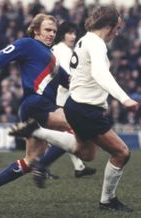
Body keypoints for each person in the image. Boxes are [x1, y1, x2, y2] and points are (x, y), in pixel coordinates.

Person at [9, 6, 139, 212]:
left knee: (86, 153)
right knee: (122, 153)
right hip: (87, 109)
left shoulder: (84, 39)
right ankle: (107, 201)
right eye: (117, 27)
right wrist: (125, 99)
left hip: (75, 106)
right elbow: (99, 73)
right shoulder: (96, 44)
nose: (117, 32)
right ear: (108, 25)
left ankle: (37, 131)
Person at [0, 13, 73, 203]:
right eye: (47, 30)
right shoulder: (27, 44)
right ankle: (43, 165)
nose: (52, 34)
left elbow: (67, 81)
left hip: (37, 108)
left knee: (29, 161)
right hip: (37, 104)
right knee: (77, 127)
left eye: (54, 31)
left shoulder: (51, 56)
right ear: (36, 30)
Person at [46, 21, 96, 178]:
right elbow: (67, 78)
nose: (73, 36)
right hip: (61, 98)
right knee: (70, 135)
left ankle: (78, 167)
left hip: (59, 97)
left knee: (66, 135)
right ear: (62, 34)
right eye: (69, 33)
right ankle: (41, 165)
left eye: (75, 33)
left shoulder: (63, 50)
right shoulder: (63, 51)